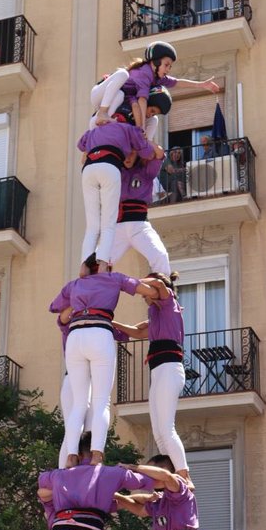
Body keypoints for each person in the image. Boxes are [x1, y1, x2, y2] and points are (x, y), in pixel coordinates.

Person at [49, 257, 160, 464]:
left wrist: (81, 293)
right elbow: (150, 292)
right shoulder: (114, 278)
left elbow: (58, 311)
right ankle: (97, 454)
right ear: (107, 266)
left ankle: (72, 455)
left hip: (75, 336)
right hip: (99, 332)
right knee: (101, 402)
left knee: (79, 405)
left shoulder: (75, 285)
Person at [114, 274, 189, 481]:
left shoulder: (168, 302)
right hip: (159, 371)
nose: (143, 296)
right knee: (158, 432)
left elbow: (158, 284)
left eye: (146, 294)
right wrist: (111, 323)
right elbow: (138, 332)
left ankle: (184, 476)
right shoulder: (156, 313)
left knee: (166, 428)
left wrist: (131, 282)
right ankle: (170, 474)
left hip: (169, 368)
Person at [77, 117, 158, 268]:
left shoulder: (94, 131)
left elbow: (80, 144)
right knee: (108, 225)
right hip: (109, 166)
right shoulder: (128, 129)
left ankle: (84, 266)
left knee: (92, 227)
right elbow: (147, 153)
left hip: (88, 170)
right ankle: (101, 267)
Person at [109, 100, 172, 274]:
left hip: (139, 225)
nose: (127, 157)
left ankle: (166, 295)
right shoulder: (115, 170)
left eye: (131, 153)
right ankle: (91, 297)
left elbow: (159, 153)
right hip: (116, 227)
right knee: (96, 263)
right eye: (125, 153)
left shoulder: (146, 172)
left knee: (160, 256)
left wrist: (142, 141)